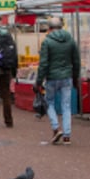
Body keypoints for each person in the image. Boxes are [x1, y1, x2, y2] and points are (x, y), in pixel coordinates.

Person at [34, 16, 81, 145]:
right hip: (67, 76)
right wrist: (76, 77)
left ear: (49, 28)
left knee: (50, 102)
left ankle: (56, 128)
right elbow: (76, 61)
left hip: (52, 77)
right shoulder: (70, 40)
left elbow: (43, 64)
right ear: (61, 27)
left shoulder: (47, 42)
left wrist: (38, 81)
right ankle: (67, 135)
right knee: (66, 106)